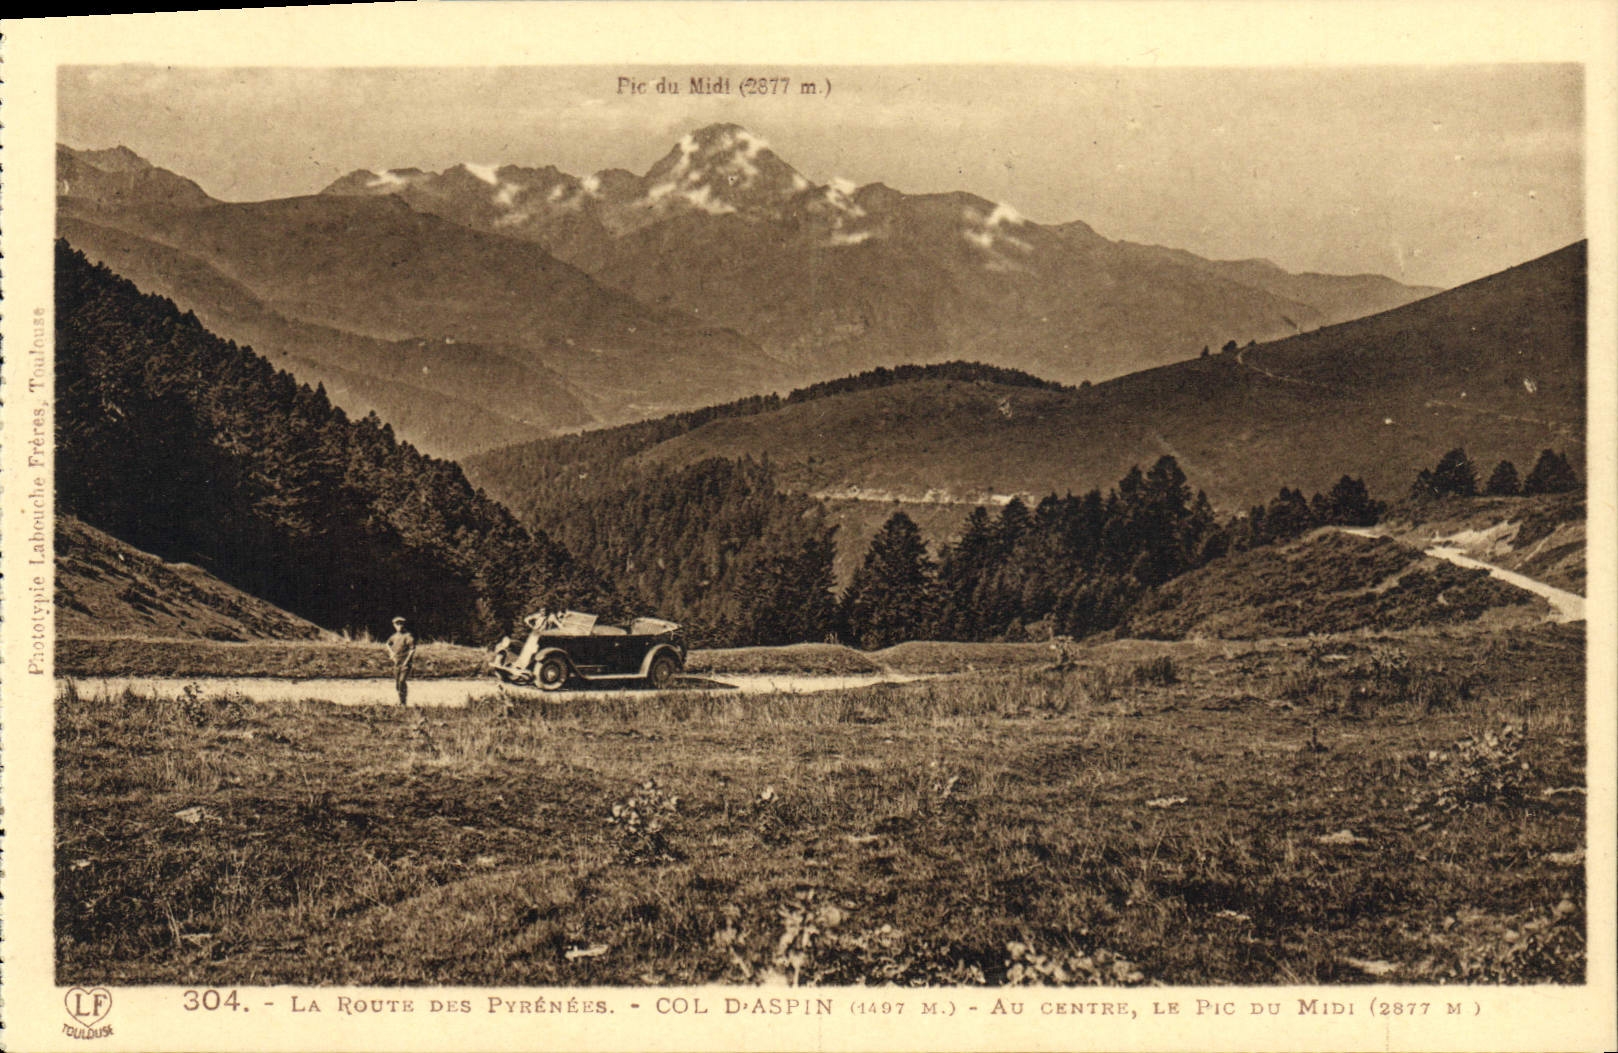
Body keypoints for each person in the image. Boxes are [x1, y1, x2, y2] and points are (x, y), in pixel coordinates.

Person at [386, 616, 417, 706]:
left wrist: (407, 661)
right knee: (397, 683)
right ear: (394, 625)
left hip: (405, 663)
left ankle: (403, 702)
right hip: (396, 663)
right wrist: (391, 653)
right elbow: (387, 643)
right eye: (397, 624)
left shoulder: (408, 636)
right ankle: (400, 701)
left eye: (401, 624)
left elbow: (412, 649)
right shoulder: (394, 636)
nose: (399, 626)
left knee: (402, 681)